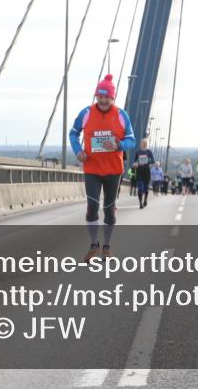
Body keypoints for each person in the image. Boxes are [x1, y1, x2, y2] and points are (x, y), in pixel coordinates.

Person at [69, 74, 135, 261]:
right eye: (100, 96)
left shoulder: (121, 115)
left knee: (108, 209)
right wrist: (78, 151)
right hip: (92, 169)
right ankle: (93, 246)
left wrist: (118, 144)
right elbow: (73, 133)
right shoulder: (86, 113)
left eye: (107, 97)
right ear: (96, 96)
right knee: (92, 207)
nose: (103, 100)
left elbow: (131, 140)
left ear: (113, 98)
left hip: (113, 170)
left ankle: (107, 247)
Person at [132, 139, 154, 209]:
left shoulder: (149, 152)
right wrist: (135, 164)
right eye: (143, 143)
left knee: (146, 188)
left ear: (147, 144)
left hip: (147, 171)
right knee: (140, 188)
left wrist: (149, 163)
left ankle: (145, 200)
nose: (144, 144)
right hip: (139, 171)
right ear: (140, 144)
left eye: (145, 143)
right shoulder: (138, 152)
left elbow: (152, 161)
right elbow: (134, 161)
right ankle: (140, 203)